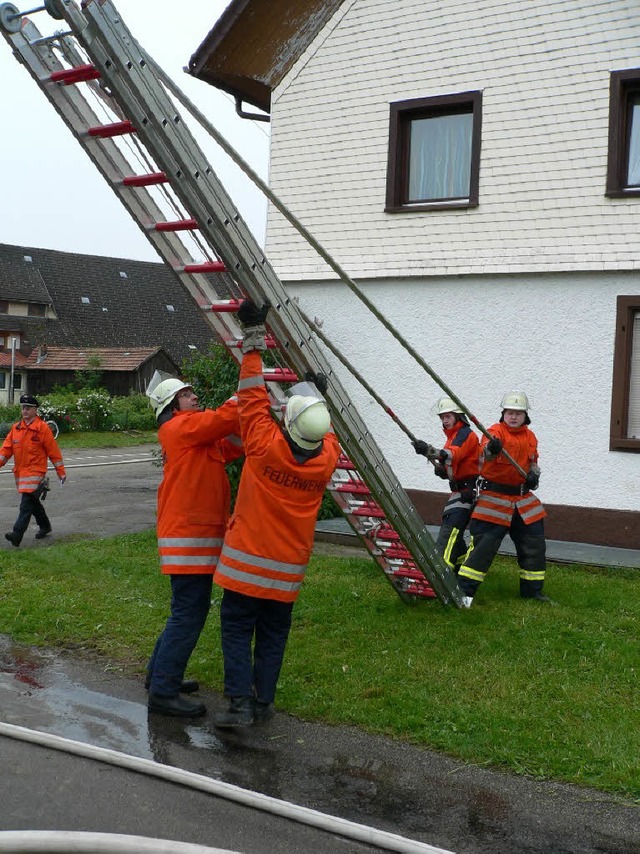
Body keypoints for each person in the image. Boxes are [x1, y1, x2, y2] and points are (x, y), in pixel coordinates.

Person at [212, 300, 341, 728]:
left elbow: (251, 393)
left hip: (245, 565)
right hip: (286, 571)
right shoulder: (325, 461)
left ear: (288, 422)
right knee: (272, 636)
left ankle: (238, 705)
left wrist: (252, 337)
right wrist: (314, 392)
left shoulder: (264, 444)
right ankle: (262, 702)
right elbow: (325, 430)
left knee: (236, 630)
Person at [145, 372, 243, 717]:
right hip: (188, 540)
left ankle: (158, 676)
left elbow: (234, 441)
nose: (194, 397)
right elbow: (225, 418)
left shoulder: (196, 435)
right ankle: (163, 690)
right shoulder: (180, 428)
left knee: (185, 611)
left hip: (194, 539)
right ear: (172, 407)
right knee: (189, 613)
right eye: (187, 395)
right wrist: (247, 389)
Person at [457, 391, 550, 605]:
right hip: (494, 498)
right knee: (483, 546)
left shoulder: (530, 436)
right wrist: (492, 448)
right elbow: (484, 455)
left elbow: (534, 461)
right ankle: (464, 593)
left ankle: (532, 592)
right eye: (509, 412)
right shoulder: (493, 432)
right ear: (503, 414)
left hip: (523, 499)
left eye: (518, 413)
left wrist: (535, 473)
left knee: (534, 543)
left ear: (525, 416)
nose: (513, 417)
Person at [413, 397, 479, 569]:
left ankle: (441, 571)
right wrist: (443, 470)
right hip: (459, 491)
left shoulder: (465, 434)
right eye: (442, 417)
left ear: (458, 416)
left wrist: (428, 450)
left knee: (449, 532)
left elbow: (453, 454)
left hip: (467, 492)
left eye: (448, 416)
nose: (444, 420)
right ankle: (460, 565)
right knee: (453, 532)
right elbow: (453, 462)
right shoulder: (453, 436)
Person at [1, 394, 66, 547]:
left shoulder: (42, 429)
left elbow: (54, 453)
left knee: (26, 505)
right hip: (21, 474)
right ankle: (45, 526)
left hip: (36, 475)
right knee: (33, 504)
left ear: (35, 410)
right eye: (23, 408)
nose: (25, 410)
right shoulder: (16, 429)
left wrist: (61, 471)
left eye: (28, 408)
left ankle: (17, 534)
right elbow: (5, 451)